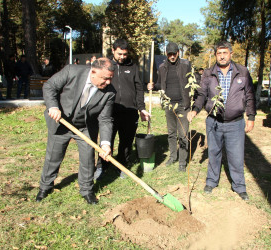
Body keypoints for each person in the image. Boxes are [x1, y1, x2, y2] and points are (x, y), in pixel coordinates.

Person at [36, 58, 116, 204]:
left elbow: (105, 119)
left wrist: (105, 143)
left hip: (85, 126)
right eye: (105, 78)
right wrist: (53, 107)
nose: (108, 82)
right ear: (93, 72)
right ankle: (45, 187)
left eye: (111, 78)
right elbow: (49, 86)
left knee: (87, 159)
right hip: (61, 121)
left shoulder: (109, 92)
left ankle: (87, 190)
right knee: (54, 156)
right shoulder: (71, 71)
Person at [187, 41, 256, 201]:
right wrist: (195, 109)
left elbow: (249, 95)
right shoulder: (209, 73)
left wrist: (251, 117)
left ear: (231, 54)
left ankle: (239, 186)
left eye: (225, 53)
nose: (222, 56)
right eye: (219, 53)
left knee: (236, 156)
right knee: (214, 152)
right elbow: (202, 94)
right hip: (214, 122)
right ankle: (211, 181)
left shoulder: (242, 72)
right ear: (216, 55)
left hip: (235, 122)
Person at [94, 39, 150, 179]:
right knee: (107, 140)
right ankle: (102, 167)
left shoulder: (133, 67)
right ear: (113, 51)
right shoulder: (107, 66)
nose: (122, 57)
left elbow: (139, 89)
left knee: (126, 142)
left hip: (129, 112)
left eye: (125, 54)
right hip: (110, 111)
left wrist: (141, 108)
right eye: (119, 53)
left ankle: (122, 166)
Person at [147, 42, 191, 172]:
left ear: (178, 53)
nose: (172, 56)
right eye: (169, 54)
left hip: (183, 105)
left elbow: (194, 80)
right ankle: (173, 156)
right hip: (168, 104)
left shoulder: (186, 65)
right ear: (166, 54)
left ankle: (182, 162)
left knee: (183, 134)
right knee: (171, 133)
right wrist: (153, 86)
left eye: (174, 54)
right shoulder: (162, 67)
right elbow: (160, 83)